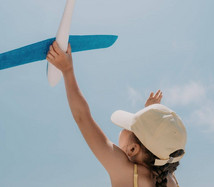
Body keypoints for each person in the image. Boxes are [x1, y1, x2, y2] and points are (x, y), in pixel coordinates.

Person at [47, 41, 187, 187]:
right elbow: (164, 146)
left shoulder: (126, 171)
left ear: (132, 149)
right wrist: (150, 116)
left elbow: (83, 118)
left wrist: (67, 70)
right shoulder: (170, 179)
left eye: (129, 127)